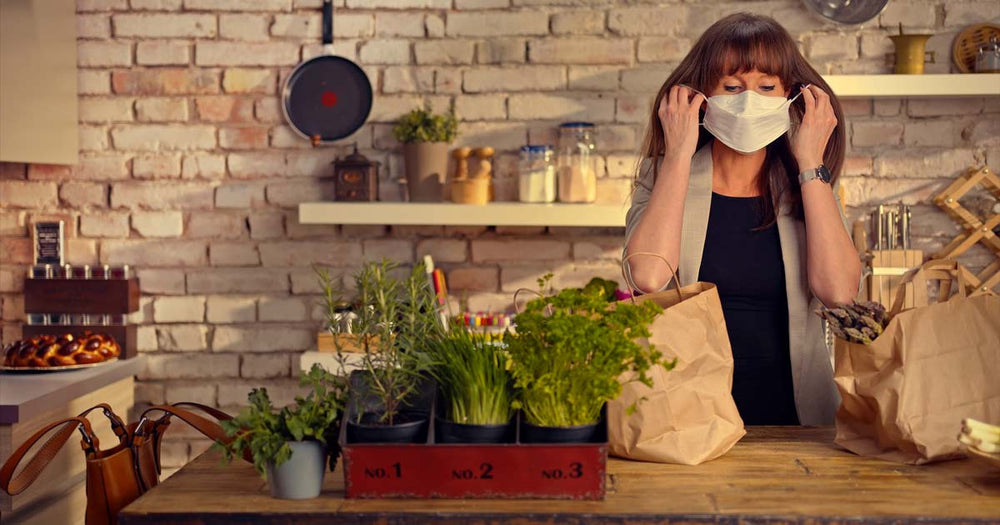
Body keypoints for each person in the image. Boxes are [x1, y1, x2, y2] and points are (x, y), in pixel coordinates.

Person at [623, 13, 861, 426]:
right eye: (731, 87)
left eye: (767, 87)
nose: (749, 100)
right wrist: (678, 154)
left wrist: (810, 161)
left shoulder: (807, 186)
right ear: (702, 97)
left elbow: (840, 292)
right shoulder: (660, 175)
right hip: (686, 416)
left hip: (793, 416)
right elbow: (647, 275)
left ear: (792, 96)